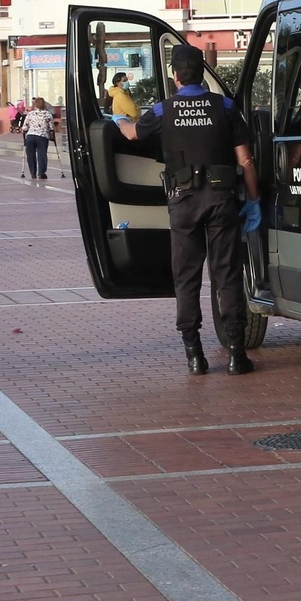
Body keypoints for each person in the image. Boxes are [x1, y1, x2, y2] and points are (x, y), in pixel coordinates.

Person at [116, 45, 261, 376]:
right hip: (222, 201)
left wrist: (119, 119)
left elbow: (134, 134)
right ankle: (237, 355)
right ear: (202, 74)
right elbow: (246, 161)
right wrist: (254, 201)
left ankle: (194, 355)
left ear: (175, 77)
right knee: (227, 276)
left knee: (187, 278)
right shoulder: (225, 106)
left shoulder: (164, 110)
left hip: (183, 202)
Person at [22, 97, 55, 180]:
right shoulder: (48, 114)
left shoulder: (30, 114)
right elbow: (51, 127)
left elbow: (24, 127)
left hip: (30, 136)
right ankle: (41, 173)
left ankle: (33, 173)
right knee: (42, 154)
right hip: (42, 137)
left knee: (30, 155)